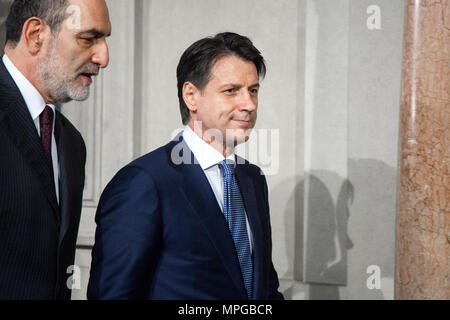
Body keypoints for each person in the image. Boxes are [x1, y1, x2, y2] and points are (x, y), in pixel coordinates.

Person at [88, 32, 283, 300]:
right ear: (191, 96)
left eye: (253, 90)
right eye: (231, 91)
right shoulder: (144, 183)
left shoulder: (253, 179)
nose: (249, 104)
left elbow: (265, 288)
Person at [0, 0, 111, 299]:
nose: (104, 57)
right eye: (88, 38)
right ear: (36, 34)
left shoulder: (72, 143)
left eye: (104, 41)